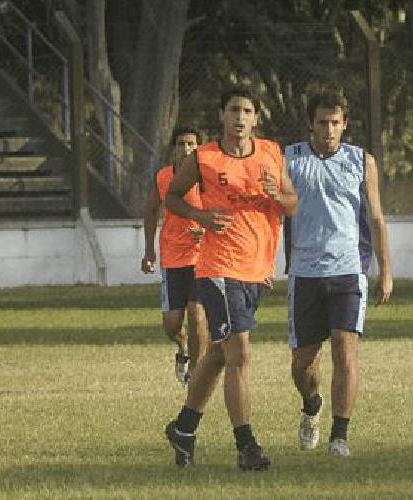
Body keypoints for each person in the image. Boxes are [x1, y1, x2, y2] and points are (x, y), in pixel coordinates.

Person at [161, 86, 299, 471]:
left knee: (219, 354)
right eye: (234, 110)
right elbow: (172, 198)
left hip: (256, 271)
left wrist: (277, 195)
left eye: (247, 111)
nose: (240, 117)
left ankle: (184, 426)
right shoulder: (204, 158)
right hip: (218, 268)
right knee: (240, 353)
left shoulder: (271, 153)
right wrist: (201, 217)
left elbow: (292, 204)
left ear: (256, 118)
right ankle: (246, 446)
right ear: (221, 115)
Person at [283, 89, 393, 458]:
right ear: (310, 124)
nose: (329, 129)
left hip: (348, 270)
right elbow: (275, 212)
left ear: (345, 124)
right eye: (321, 122)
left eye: (335, 122)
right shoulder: (290, 159)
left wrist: (386, 271)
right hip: (304, 272)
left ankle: (339, 436)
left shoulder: (362, 161)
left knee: (345, 352)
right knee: (302, 364)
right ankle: (311, 405)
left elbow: (376, 218)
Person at [141, 126, 208, 384]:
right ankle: (183, 348)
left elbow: (223, 211)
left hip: (201, 258)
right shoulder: (164, 177)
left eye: (192, 144)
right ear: (174, 149)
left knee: (197, 314)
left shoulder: (207, 178)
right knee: (172, 324)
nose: (187, 149)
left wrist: (207, 231)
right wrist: (148, 251)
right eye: (182, 144)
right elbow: (150, 211)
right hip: (172, 258)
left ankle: (196, 372)